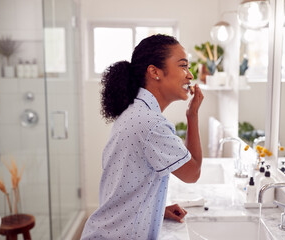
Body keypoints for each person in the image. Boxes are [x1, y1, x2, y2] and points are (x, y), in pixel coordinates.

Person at [81, 34, 204, 239]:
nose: (190, 75)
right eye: (183, 66)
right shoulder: (151, 124)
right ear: (155, 71)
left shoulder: (136, 112)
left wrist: (155, 209)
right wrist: (193, 116)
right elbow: (193, 173)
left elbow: (125, 184)